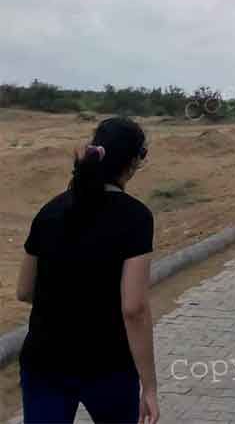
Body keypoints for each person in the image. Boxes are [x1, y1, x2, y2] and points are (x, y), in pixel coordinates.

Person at [17, 117, 158, 424]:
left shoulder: (50, 211)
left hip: (44, 362)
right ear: (133, 163)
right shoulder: (136, 218)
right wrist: (149, 386)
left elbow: (25, 290)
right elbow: (134, 309)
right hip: (109, 366)